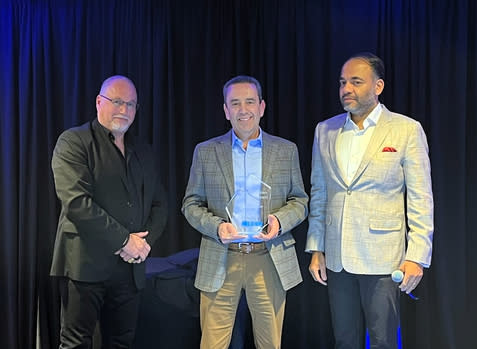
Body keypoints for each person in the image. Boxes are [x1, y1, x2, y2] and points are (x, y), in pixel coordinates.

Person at [305, 52, 434, 348]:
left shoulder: (405, 129)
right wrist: (316, 248)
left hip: (382, 257)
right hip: (337, 258)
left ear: (378, 87)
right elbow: (320, 192)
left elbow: (421, 198)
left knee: (383, 341)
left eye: (355, 82)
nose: (346, 89)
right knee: (344, 340)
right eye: (342, 82)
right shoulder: (325, 130)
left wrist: (417, 255)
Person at [182, 75, 308, 349]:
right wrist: (217, 227)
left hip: (268, 257)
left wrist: (278, 221)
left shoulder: (286, 151)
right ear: (226, 110)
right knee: (212, 344)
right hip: (222, 256)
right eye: (235, 103)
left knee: (269, 344)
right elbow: (190, 204)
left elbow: (300, 201)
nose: (243, 109)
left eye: (249, 102)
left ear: (262, 107)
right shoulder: (205, 152)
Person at [50, 75, 168, 348]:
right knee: (76, 343)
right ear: (98, 102)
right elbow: (77, 203)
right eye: (116, 102)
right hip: (84, 266)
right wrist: (125, 241)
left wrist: (142, 244)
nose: (124, 110)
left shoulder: (143, 151)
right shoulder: (73, 142)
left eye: (130, 104)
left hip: (130, 269)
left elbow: (160, 204)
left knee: (122, 343)